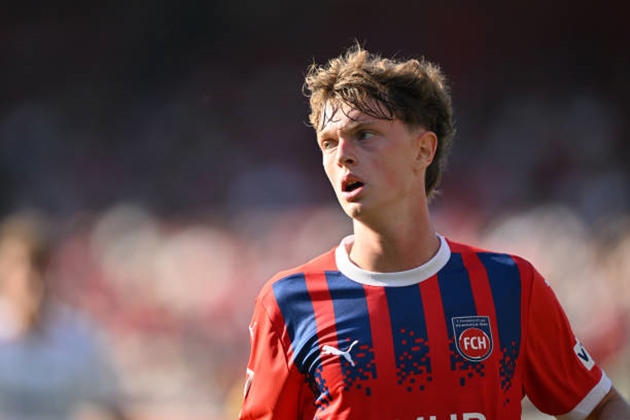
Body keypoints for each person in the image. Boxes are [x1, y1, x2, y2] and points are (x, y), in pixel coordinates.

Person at [238, 44, 630, 419]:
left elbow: (600, 408)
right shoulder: (289, 304)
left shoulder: (509, 286)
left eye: (364, 135)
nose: (342, 155)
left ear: (423, 150)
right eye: (328, 142)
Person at [0, 211, 128, 420]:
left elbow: (111, 406)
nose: (28, 275)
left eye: (38, 264)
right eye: (17, 264)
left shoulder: (77, 336)